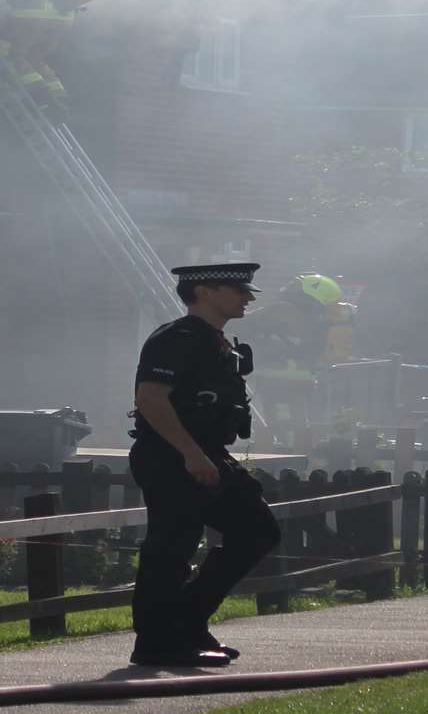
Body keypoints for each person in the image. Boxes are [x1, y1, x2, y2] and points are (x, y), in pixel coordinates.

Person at [127, 262, 281, 668]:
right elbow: (151, 399)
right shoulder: (178, 338)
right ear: (205, 292)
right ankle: (158, 643)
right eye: (238, 290)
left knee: (257, 529)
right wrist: (190, 454)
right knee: (171, 548)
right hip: (172, 456)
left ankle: (186, 623)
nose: (248, 297)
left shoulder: (214, 340)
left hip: (206, 452)